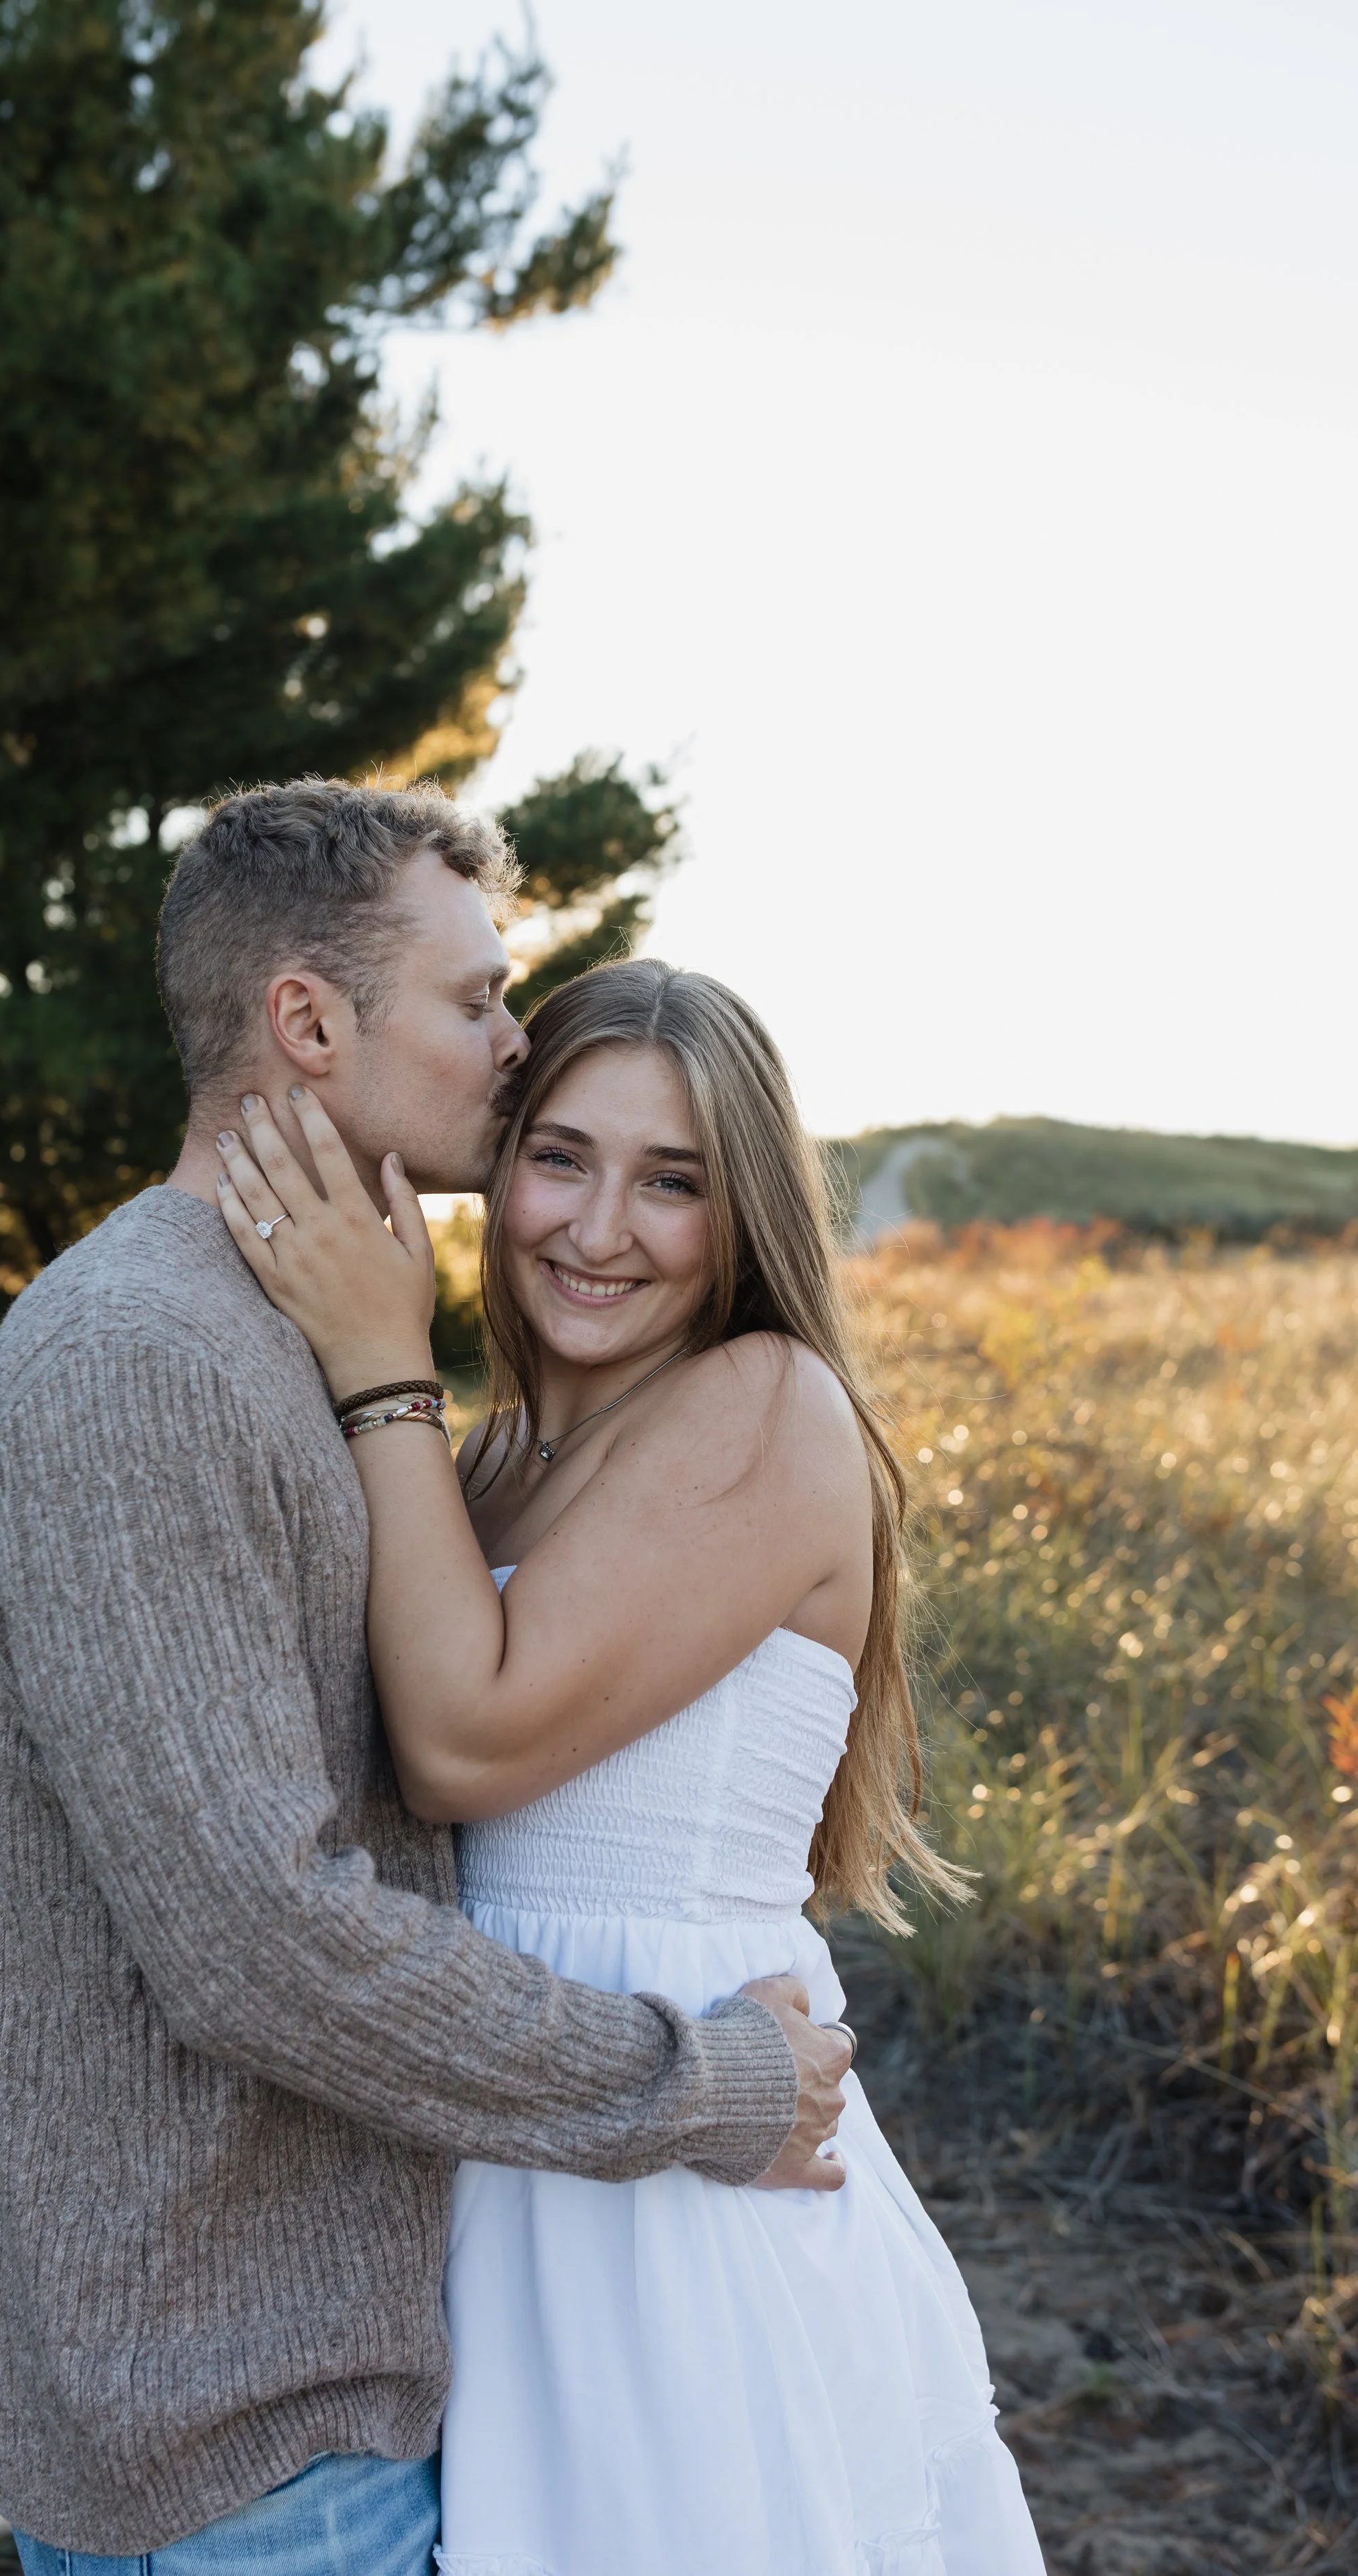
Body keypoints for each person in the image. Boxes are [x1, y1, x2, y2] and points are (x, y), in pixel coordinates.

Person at [0, 782, 854, 2576]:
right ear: (305, 1022)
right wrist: (702, 2080)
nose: (510, 1047)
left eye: (669, 1174)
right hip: (231, 2432)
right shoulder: (141, 1360)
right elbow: (257, 1936)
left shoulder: (286, 1340)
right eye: (475, 998)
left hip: (382, 2368)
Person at [214, 952, 1048, 2575]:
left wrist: (380, 1363)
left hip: (678, 2183)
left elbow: (462, 1744)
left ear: (741, 1218)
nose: (597, 1232)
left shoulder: (761, 1403)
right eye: (558, 1159)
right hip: (527, 2111)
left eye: (670, 1182)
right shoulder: (505, 1454)